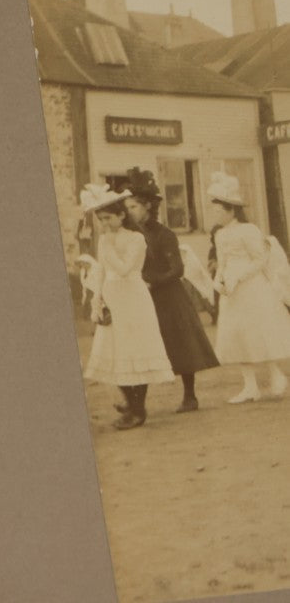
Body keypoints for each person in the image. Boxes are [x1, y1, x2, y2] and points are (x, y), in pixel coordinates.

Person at [79, 183, 175, 430]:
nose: (105, 224)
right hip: (112, 296)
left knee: (134, 350)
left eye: (109, 218)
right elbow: (102, 271)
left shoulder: (136, 238)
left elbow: (124, 269)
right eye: (101, 220)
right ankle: (129, 402)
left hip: (132, 297)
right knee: (113, 350)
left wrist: (108, 246)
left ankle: (138, 409)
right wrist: (96, 298)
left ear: (122, 215)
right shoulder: (105, 240)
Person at [124, 167, 219, 413]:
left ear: (147, 206)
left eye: (133, 206)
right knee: (142, 346)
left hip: (168, 296)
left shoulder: (164, 234)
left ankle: (190, 396)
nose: (129, 211)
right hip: (141, 296)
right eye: (127, 207)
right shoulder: (130, 235)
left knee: (180, 344)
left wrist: (153, 281)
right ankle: (135, 403)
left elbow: (177, 269)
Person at [206, 170, 290, 403]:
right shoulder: (220, 234)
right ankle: (250, 385)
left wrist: (239, 276)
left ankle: (276, 374)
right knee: (237, 334)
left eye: (219, 210)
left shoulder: (248, 230)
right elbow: (222, 262)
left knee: (258, 331)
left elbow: (260, 259)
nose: (216, 214)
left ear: (231, 209)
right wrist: (220, 279)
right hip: (231, 291)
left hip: (252, 287)